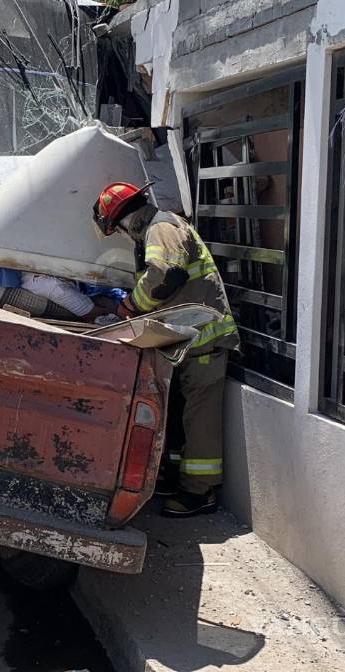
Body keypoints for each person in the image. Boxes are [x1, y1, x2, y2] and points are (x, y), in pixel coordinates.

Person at [93, 181, 239, 518]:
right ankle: (174, 478)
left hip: (205, 339)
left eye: (117, 230)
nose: (123, 237)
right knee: (179, 417)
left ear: (123, 221)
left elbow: (166, 276)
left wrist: (130, 305)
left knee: (200, 420)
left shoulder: (161, 228)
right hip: (190, 341)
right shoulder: (160, 228)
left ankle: (200, 493)